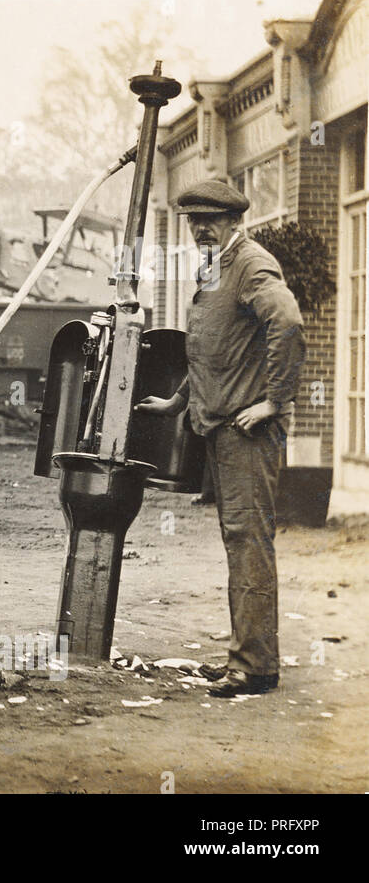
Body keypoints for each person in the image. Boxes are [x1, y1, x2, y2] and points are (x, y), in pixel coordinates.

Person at [136, 179, 305, 699]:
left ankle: (255, 668)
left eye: (211, 219)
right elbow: (211, 349)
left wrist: (275, 400)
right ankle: (246, 656)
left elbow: (288, 322)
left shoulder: (251, 265)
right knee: (239, 541)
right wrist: (177, 401)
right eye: (194, 219)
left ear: (235, 221)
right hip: (219, 426)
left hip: (247, 433)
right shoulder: (215, 268)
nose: (201, 228)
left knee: (250, 543)